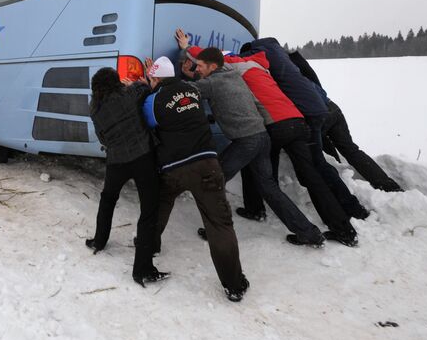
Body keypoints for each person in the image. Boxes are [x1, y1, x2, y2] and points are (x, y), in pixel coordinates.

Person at [181, 43, 327, 247]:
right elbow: (210, 85)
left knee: (214, 180)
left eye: (200, 66)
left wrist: (171, 79)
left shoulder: (213, 83)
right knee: (269, 187)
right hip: (262, 137)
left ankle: (217, 231)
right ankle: (309, 233)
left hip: (246, 141)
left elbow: (184, 93)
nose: (197, 69)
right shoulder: (234, 77)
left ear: (213, 67)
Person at [222, 50, 359, 246]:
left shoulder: (238, 67)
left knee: (263, 174)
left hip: (276, 127)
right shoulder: (262, 67)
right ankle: (344, 229)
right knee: (312, 176)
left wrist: (187, 47)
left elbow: (214, 60)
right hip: (297, 122)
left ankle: (256, 209)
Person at [142, 56, 249, 301]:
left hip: (174, 167)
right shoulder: (192, 90)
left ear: (156, 78)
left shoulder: (153, 100)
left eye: (151, 78)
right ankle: (234, 285)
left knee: (159, 205)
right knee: (219, 224)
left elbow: (149, 121)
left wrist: (146, 89)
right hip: (207, 164)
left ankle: (150, 245)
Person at [240, 38, 370, 220]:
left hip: (305, 113)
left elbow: (239, 60)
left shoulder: (258, 54)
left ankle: (349, 210)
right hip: (316, 107)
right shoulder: (279, 55)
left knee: (315, 167)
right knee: (314, 165)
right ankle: (350, 209)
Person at [86, 67, 167, 287]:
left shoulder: (95, 110)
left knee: (108, 199)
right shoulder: (129, 95)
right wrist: (131, 83)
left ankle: (99, 241)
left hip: (116, 161)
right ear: (116, 82)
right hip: (143, 157)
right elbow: (144, 86)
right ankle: (142, 269)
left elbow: (102, 138)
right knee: (149, 210)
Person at [287, 51, 403, 192]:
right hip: (332, 107)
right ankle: (387, 185)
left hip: (317, 115)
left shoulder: (283, 77)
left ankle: (339, 175)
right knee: (351, 149)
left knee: (317, 149)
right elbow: (315, 81)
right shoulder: (298, 71)